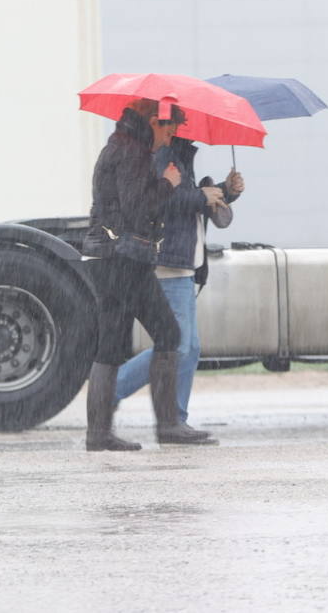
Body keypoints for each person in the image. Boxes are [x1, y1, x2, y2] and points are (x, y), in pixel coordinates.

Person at [80, 98, 212, 451]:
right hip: (125, 259)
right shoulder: (133, 152)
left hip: (103, 256)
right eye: (169, 128)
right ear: (154, 121)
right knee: (169, 333)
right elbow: (139, 206)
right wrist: (167, 182)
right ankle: (168, 425)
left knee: (110, 345)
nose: (170, 137)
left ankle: (98, 434)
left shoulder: (117, 145)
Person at [113, 126, 244, 441]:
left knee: (190, 347)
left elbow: (187, 201)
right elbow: (160, 201)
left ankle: (175, 421)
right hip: (168, 263)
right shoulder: (163, 155)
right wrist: (202, 195)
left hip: (182, 264)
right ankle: (111, 390)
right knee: (177, 345)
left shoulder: (179, 155)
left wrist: (226, 191)